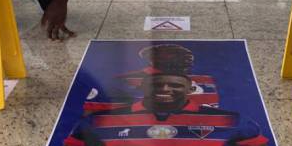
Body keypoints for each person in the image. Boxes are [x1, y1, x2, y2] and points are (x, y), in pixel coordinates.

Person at [38, 73, 286, 146]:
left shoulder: (232, 120)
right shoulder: (98, 120)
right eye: (157, 85)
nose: (165, 89)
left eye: (175, 85)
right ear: (143, 88)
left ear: (189, 90)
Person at [83, 44, 220, 113]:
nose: (186, 62)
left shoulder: (204, 82)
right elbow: (97, 108)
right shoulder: (125, 81)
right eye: (174, 57)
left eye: (187, 60)